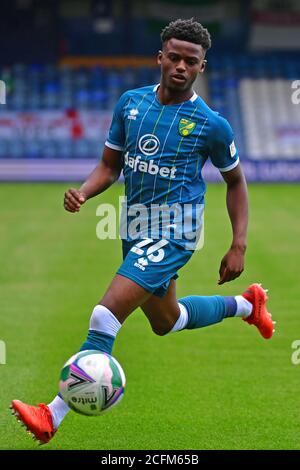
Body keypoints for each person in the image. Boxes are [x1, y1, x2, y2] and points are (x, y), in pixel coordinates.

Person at [11, 18, 275, 444]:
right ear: (160, 57)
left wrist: (238, 243)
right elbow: (109, 166)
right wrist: (84, 192)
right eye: (174, 57)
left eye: (192, 61)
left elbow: (235, 181)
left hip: (175, 232)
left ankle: (52, 415)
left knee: (105, 313)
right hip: (134, 227)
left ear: (202, 67)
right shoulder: (131, 104)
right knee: (167, 321)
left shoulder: (211, 125)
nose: (181, 67)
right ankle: (248, 306)